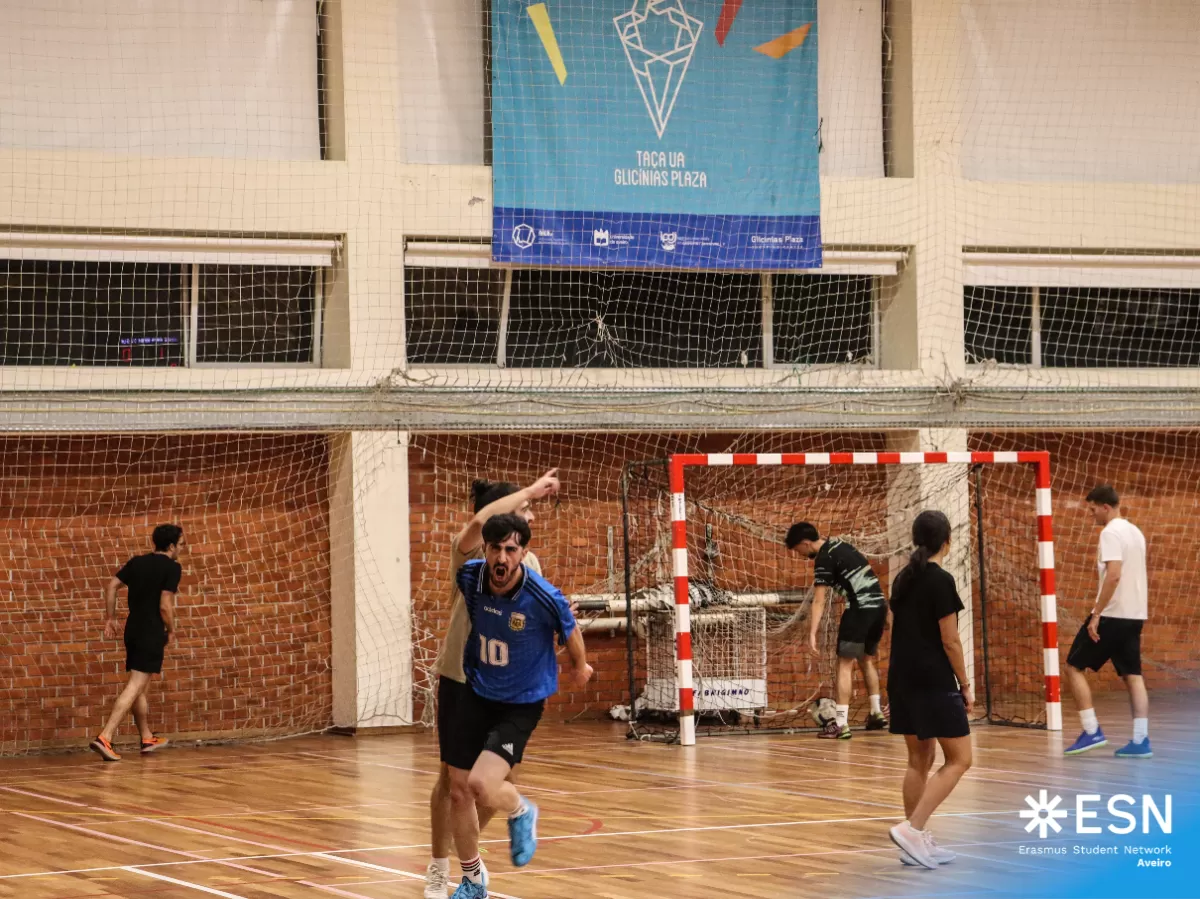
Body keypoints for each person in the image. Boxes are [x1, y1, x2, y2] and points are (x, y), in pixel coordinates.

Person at [425, 471, 559, 899]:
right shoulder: (470, 557)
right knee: (452, 781)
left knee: (489, 784)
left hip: (507, 689)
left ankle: (472, 867)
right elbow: (482, 522)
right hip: (461, 679)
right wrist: (531, 489)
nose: (531, 513)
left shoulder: (528, 562)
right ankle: (439, 866)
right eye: (523, 508)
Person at [446, 513, 592, 899]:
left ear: (523, 553)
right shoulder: (471, 578)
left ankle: (521, 811)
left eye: (511, 550)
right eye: (495, 548)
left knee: (480, 784)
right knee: (458, 792)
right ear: (486, 549)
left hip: (520, 704)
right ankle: (472, 881)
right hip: (477, 692)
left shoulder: (543, 595)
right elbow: (464, 540)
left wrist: (580, 666)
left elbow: (571, 631)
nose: (502, 558)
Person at [886, 510, 972, 870]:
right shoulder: (941, 580)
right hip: (932, 680)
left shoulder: (903, 578)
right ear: (947, 541)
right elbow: (950, 640)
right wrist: (965, 685)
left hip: (901, 678)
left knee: (919, 760)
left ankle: (914, 843)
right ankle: (912, 828)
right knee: (960, 759)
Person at [1063, 485, 1150, 758]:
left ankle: (1091, 731)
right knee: (1133, 676)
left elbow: (1114, 575)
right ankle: (1141, 740)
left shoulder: (1110, 532)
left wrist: (1096, 614)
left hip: (1112, 615)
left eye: (1092, 509)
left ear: (1105, 507)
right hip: (1135, 615)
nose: (1091, 515)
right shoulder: (1135, 532)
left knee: (1073, 667)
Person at [89, 524, 184, 762]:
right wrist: (172, 629)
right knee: (135, 686)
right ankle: (105, 736)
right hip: (151, 632)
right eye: (182, 545)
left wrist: (111, 618)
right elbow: (165, 604)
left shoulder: (137, 562)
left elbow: (112, 586)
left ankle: (146, 736)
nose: (183, 549)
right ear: (171, 546)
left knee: (140, 686)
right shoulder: (172, 568)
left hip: (132, 630)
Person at [786, 522, 889, 738]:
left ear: (805, 544)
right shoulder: (841, 545)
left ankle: (841, 724)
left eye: (799, 551)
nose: (801, 555)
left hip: (860, 608)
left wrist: (812, 633)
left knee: (844, 664)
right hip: (879, 606)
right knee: (866, 659)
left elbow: (819, 601)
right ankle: (876, 712)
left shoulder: (824, 558)